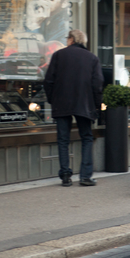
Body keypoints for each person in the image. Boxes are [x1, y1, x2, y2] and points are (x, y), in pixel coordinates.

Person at [44, 29, 104, 187]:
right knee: (86, 137)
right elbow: (97, 84)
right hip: (84, 103)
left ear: (71, 39)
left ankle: (65, 174)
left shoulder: (58, 55)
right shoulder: (92, 58)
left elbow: (49, 80)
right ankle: (85, 176)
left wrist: (52, 100)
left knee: (63, 139)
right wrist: (97, 105)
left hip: (61, 102)